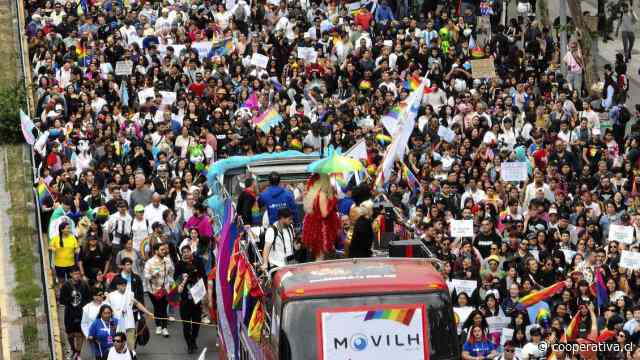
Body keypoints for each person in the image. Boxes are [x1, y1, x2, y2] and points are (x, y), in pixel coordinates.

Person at [174, 245, 207, 353]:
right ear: (181, 253)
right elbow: (175, 278)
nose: (186, 253)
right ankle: (189, 344)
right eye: (183, 252)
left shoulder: (198, 261)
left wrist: (204, 292)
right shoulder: (179, 264)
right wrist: (182, 278)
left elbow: (204, 277)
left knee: (197, 323)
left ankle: (193, 339)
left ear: (191, 251)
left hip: (196, 298)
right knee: (186, 324)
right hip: (184, 299)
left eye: (187, 251)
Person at [105, 276, 153, 350]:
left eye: (125, 285)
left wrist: (148, 313)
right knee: (116, 347)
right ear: (117, 286)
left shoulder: (130, 294)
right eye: (122, 285)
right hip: (116, 325)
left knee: (131, 347)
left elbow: (137, 304)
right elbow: (105, 310)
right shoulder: (111, 296)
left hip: (130, 324)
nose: (124, 287)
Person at [301, 174, 341, 260]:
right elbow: (324, 214)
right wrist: (333, 201)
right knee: (321, 257)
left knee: (317, 256)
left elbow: (308, 210)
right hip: (322, 230)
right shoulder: (322, 193)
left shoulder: (311, 193)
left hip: (313, 229)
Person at [143, 243, 174, 337]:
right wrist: (152, 275)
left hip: (165, 289)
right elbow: (145, 276)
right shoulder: (150, 262)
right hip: (153, 290)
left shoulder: (167, 260)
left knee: (164, 308)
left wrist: (170, 283)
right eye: (162, 249)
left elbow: (171, 272)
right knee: (157, 307)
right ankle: (158, 325)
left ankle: (164, 328)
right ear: (156, 251)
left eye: (164, 249)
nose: (164, 251)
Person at [60, 266, 91, 360]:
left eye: (78, 274)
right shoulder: (66, 285)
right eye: (75, 274)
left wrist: (85, 309)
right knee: (70, 334)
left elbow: (88, 298)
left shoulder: (84, 284)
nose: (77, 276)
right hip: (69, 313)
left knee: (79, 334)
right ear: (71, 275)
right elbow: (62, 301)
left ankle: (77, 353)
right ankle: (73, 349)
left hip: (81, 313)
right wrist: (71, 297)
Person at [49, 221, 80, 287]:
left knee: (71, 281)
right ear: (62, 230)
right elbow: (50, 246)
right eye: (67, 228)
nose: (69, 230)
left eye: (69, 228)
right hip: (59, 264)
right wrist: (52, 248)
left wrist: (77, 251)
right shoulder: (55, 238)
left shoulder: (72, 238)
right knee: (61, 281)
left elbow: (76, 248)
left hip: (71, 264)